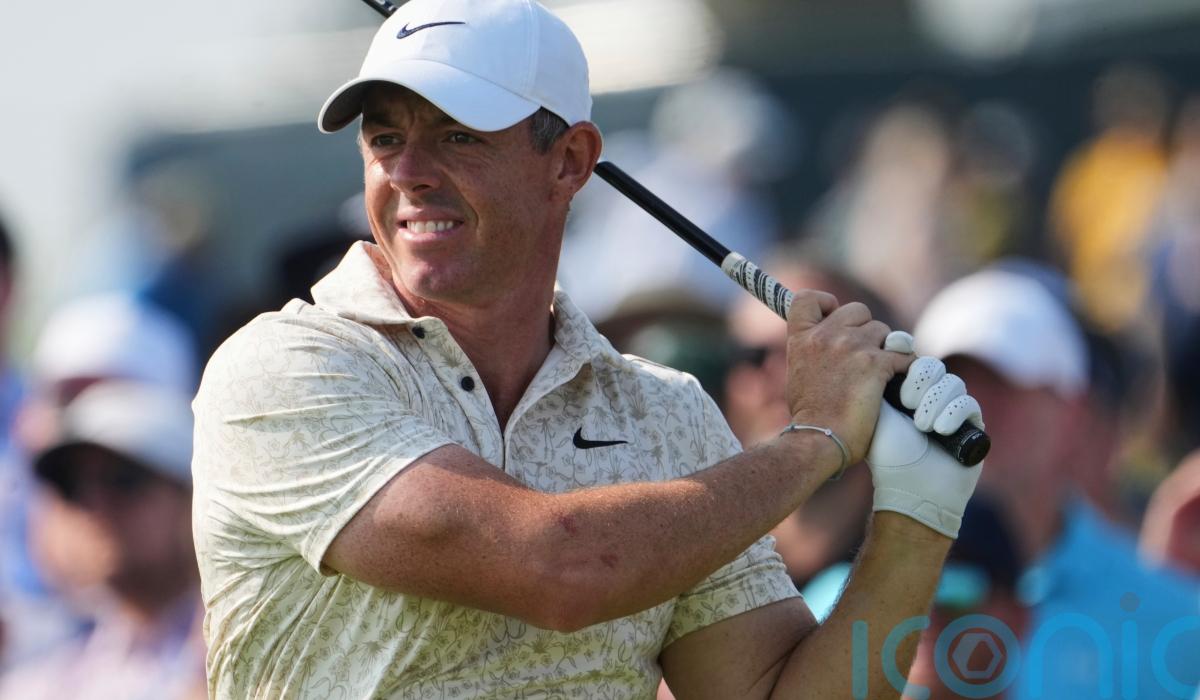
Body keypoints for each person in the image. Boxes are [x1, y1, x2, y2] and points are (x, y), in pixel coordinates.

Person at [191, 1, 985, 697]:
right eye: (385, 138)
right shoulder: (282, 370)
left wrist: (917, 520)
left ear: (570, 160)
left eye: (457, 136)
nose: (408, 173)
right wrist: (816, 442)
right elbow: (561, 570)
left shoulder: (664, 416)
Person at [913, 264, 1200, 699]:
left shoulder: (1180, 620)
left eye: (1003, 385)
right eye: (952, 387)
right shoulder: (837, 605)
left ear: (1074, 411)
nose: (972, 408)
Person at [0, 381, 206, 699]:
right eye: (71, 485)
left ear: (190, 494)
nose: (93, 503)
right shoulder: (48, 676)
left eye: (123, 478)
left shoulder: (246, 648)